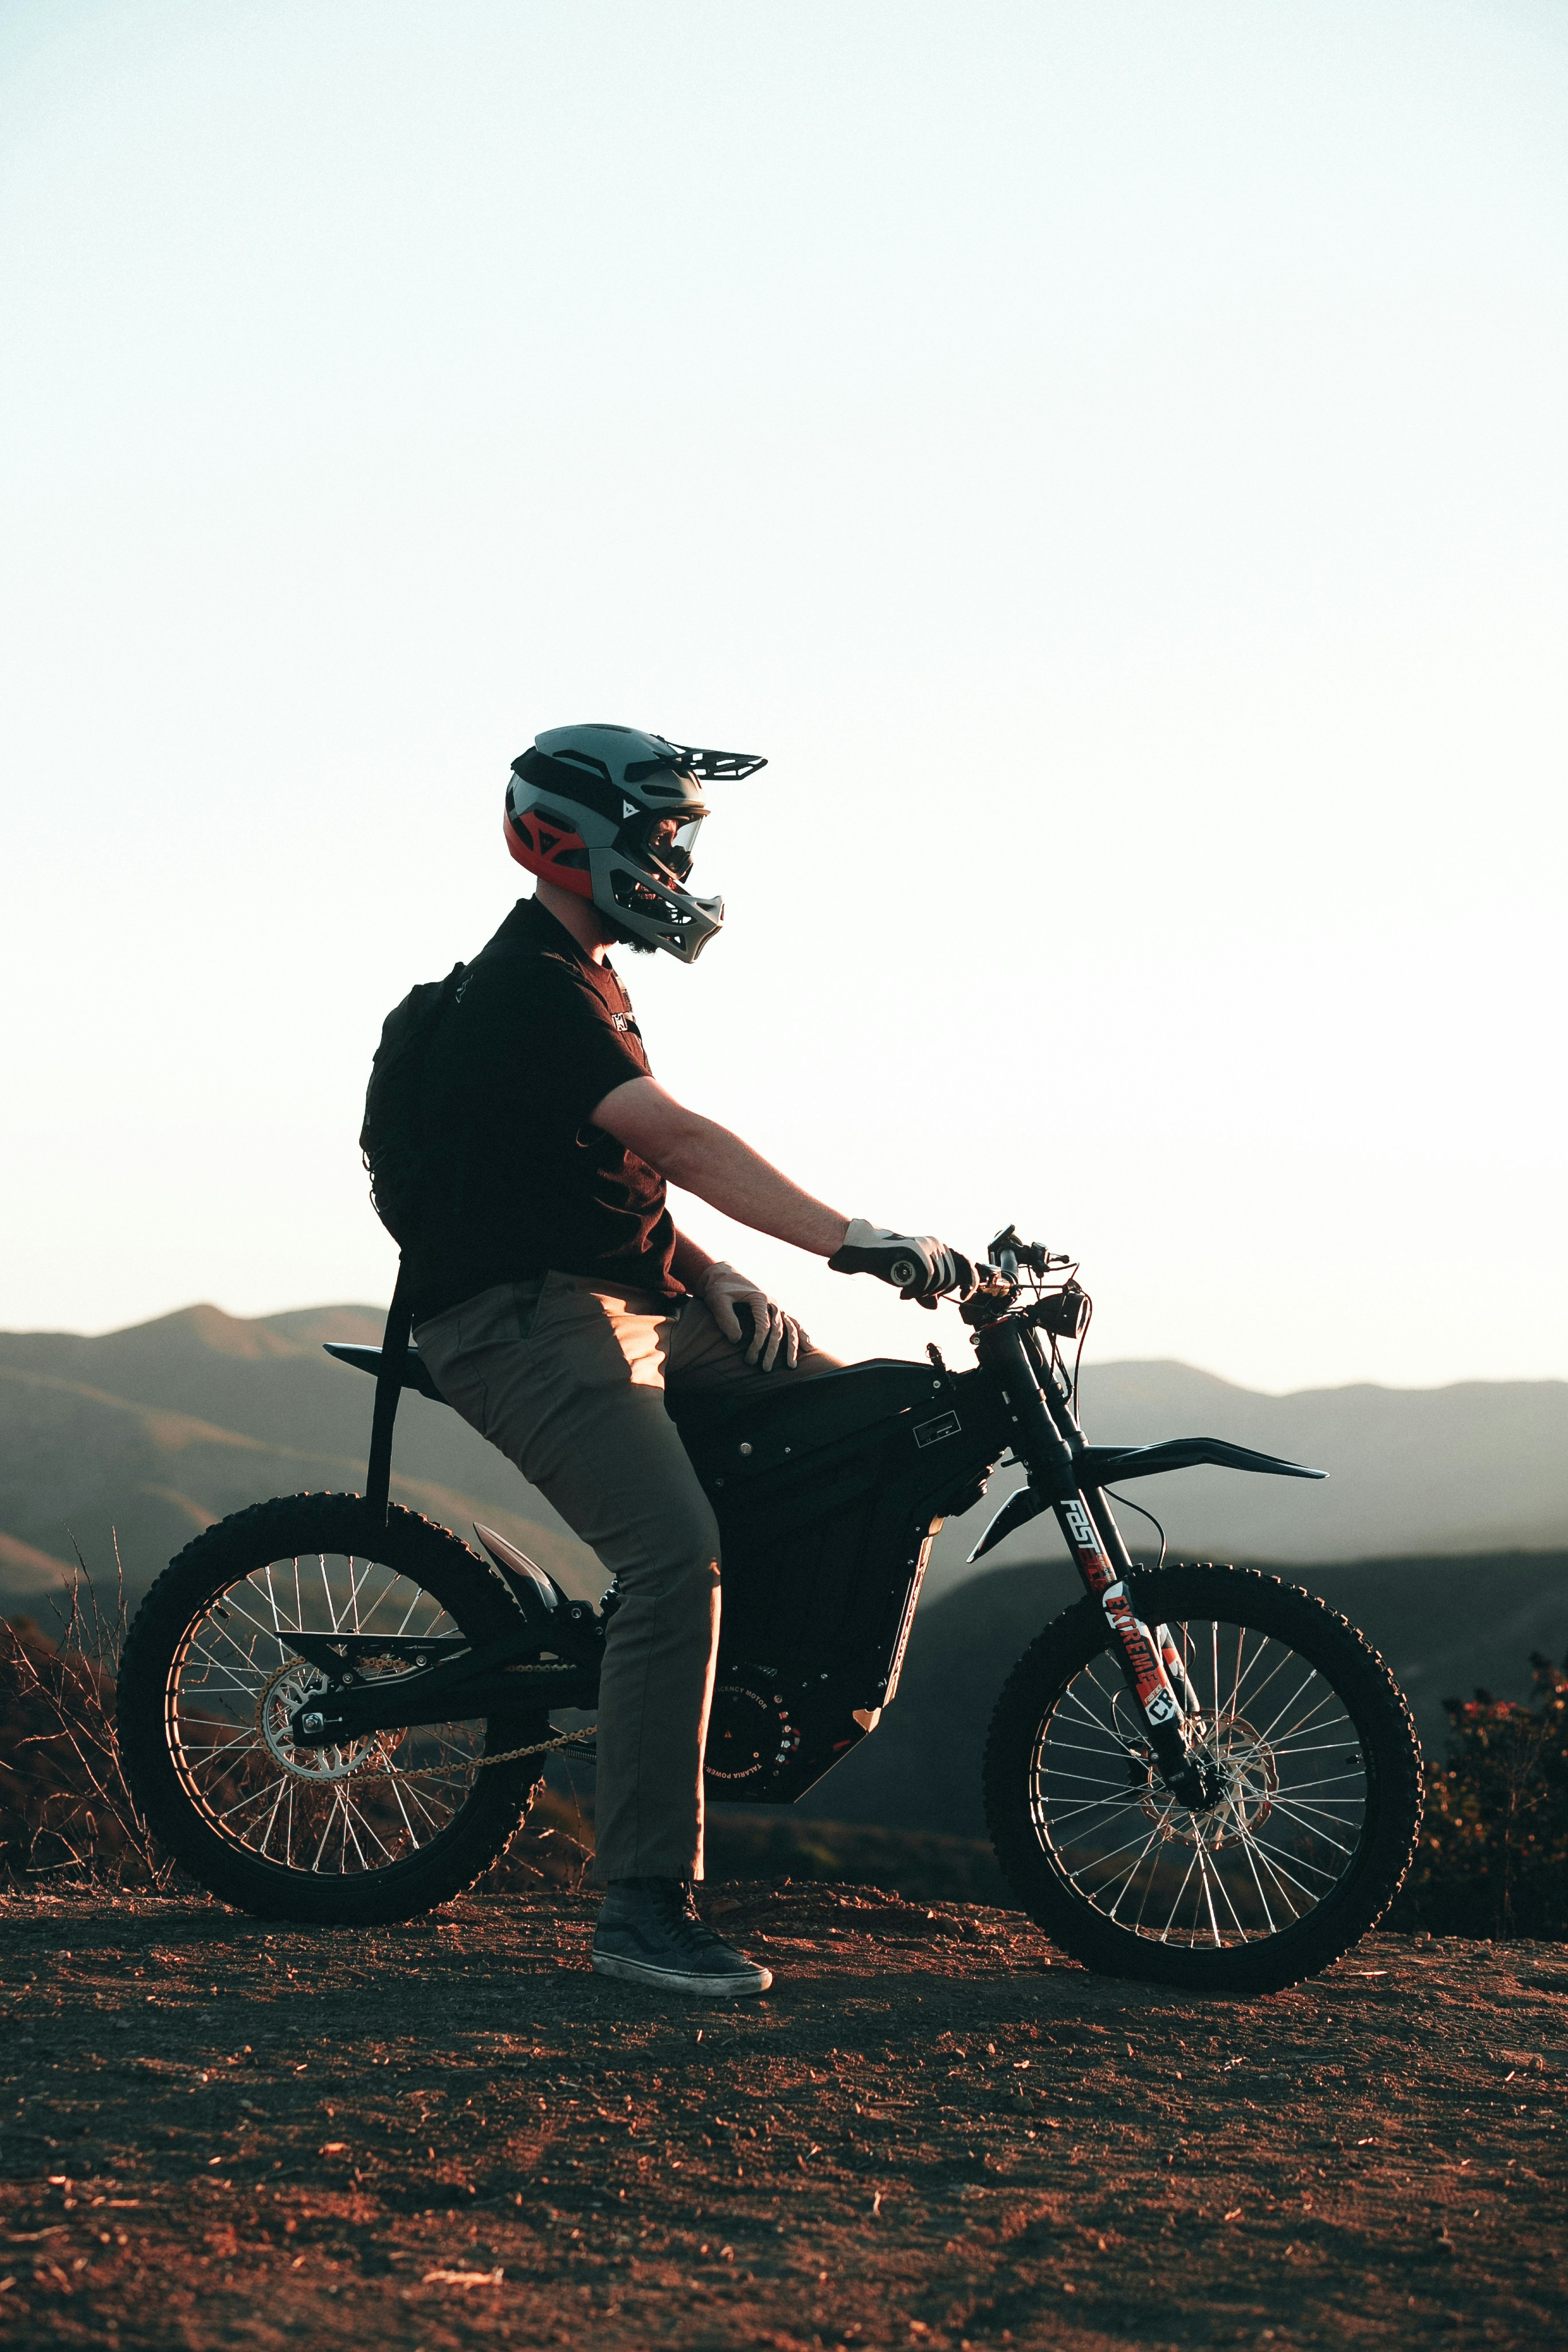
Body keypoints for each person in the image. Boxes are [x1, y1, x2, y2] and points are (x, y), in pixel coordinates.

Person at [409, 724, 976, 1997]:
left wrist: (710, 1273)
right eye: (663, 831)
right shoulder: (532, 989)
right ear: (583, 837)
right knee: (675, 1558)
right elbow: (676, 1138)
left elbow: (616, 1185)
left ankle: (751, 1681)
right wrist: (856, 1239)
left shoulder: (594, 979)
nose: (677, 855)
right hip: (518, 1321)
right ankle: (643, 1909)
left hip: (632, 1301)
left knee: (862, 1417)